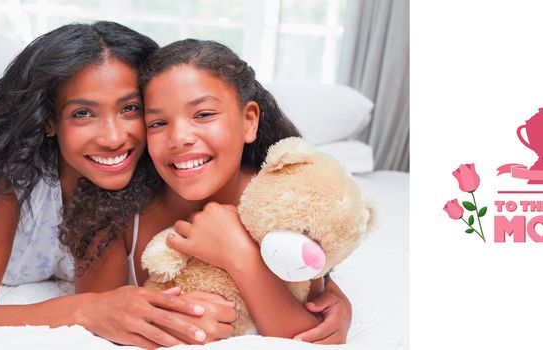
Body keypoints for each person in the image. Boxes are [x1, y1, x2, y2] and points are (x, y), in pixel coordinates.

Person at [0, 22, 236, 349]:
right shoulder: (8, 178)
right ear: (49, 121)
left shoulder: (154, 173)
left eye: (129, 108)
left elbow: (122, 299)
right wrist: (82, 309)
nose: (114, 138)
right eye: (83, 113)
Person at [61, 38, 353, 344]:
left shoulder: (286, 198)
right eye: (158, 122)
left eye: (203, 115)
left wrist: (238, 254)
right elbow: (97, 321)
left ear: (249, 120)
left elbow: (307, 336)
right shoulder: (114, 213)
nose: (180, 137)